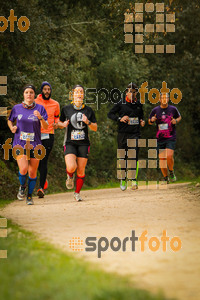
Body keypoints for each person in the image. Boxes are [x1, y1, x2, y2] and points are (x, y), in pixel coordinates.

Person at [8, 85, 48, 205]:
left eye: (31, 92)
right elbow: (10, 120)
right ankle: (22, 186)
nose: (29, 94)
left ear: (34, 95)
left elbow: (46, 126)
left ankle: (29, 196)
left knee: (32, 172)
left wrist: (40, 118)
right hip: (19, 143)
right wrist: (12, 128)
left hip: (35, 144)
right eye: (26, 92)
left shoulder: (40, 108)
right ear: (23, 95)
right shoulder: (17, 108)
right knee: (24, 168)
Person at [58, 85, 97, 201]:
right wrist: (63, 124)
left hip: (84, 143)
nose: (79, 94)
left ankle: (77, 193)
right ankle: (69, 176)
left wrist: (88, 122)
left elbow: (95, 128)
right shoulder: (66, 109)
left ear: (83, 95)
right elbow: (58, 124)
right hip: (70, 142)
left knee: (81, 169)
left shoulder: (88, 110)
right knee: (71, 167)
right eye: (77, 92)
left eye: (81, 92)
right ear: (73, 95)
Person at [108, 82, 145, 191]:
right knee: (122, 157)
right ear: (126, 92)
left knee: (134, 156)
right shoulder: (121, 103)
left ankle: (133, 180)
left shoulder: (139, 104)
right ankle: (123, 179)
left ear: (136, 93)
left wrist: (142, 121)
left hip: (135, 134)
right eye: (130, 92)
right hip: (123, 134)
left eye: (134, 92)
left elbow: (141, 116)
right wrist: (120, 118)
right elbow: (110, 114)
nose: (132, 94)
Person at [149, 93, 181, 183]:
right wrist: (152, 120)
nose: (164, 99)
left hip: (170, 136)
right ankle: (165, 177)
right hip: (160, 138)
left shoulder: (173, 109)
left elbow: (179, 117)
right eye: (162, 98)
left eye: (166, 98)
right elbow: (149, 120)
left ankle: (171, 172)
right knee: (162, 159)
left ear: (168, 99)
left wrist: (176, 121)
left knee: (169, 156)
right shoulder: (155, 110)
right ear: (159, 99)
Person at [35, 81, 60, 198]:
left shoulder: (55, 104)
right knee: (36, 160)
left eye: (49, 89)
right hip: (35, 135)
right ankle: (43, 179)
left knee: (44, 160)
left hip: (49, 134)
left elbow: (57, 118)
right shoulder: (35, 102)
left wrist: (56, 124)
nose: (47, 91)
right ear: (41, 90)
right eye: (45, 89)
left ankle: (41, 188)